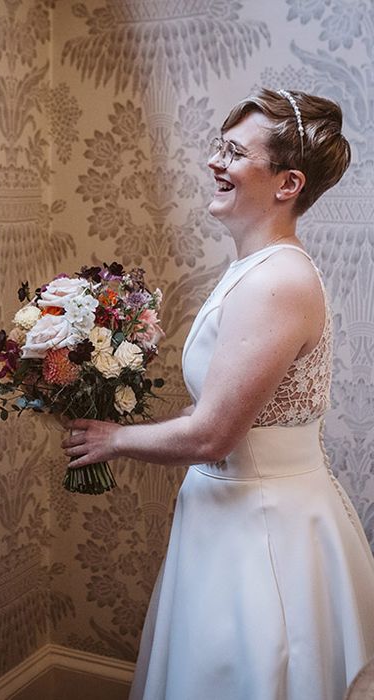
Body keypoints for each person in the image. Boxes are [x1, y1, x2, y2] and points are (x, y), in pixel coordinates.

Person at [63, 88, 374, 699]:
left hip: (262, 531)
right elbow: (240, 415)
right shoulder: (257, 267)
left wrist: (113, 438)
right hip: (230, 513)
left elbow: (214, 435)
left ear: (287, 184)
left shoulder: (276, 281)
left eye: (233, 152)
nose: (214, 162)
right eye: (219, 147)